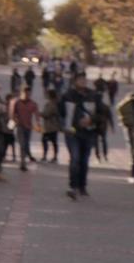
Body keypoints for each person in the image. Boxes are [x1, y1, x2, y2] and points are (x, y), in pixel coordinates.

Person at [59, 72, 103, 200]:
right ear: (74, 81)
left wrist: (91, 120)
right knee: (75, 158)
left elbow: (101, 114)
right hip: (72, 133)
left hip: (88, 133)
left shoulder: (93, 95)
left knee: (84, 161)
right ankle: (73, 186)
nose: (83, 82)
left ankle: (82, 186)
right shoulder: (67, 96)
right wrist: (64, 126)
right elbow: (60, 113)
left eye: (84, 79)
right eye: (80, 80)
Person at [9, 86, 41, 171]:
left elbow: (37, 115)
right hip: (20, 127)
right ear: (21, 93)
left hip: (28, 127)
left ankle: (29, 155)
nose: (26, 95)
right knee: (23, 144)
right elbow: (12, 115)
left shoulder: (33, 104)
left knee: (26, 144)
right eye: (24, 93)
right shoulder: (16, 103)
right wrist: (10, 127)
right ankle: (23, 163)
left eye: (28, 93)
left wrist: (38, 125)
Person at [40, 89, 61, 163]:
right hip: (50, 127)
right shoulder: (51, 103)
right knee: (53, 142)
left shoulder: (52, 104)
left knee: (46, 141)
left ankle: (47, 156)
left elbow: (47, 114)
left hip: (50, 127)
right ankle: (53, 156)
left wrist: (40, 113)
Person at [3, 93, 17, 162]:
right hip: (6, 127)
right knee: (7, 142)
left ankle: (13, 156)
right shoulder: (5, 107)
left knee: (10, 142)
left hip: (9, 127)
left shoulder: (11, 106)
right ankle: (6, 155)